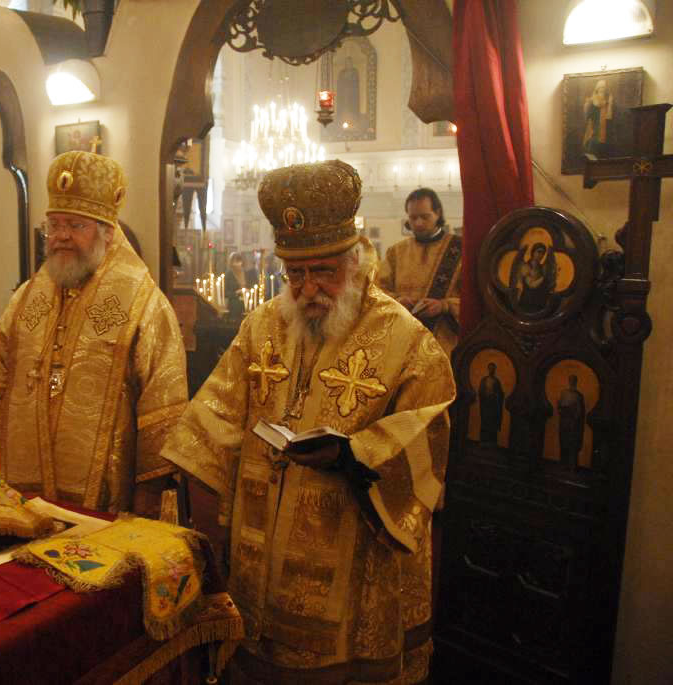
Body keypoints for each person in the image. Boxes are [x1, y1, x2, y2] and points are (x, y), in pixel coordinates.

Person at [162, 160, 455, 683]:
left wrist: (355, 455)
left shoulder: (405, 339)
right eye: (294, 274)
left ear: (355, 261)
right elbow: (215, 415)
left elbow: (427, 431)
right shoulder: (261, 325)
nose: (307, 289)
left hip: (351, 554)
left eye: (323, 272)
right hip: (258, 550)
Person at [0, 151, 188, 515]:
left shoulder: (144, 306)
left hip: (106, 512)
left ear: (107, 233)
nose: (61, 236)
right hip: (24, 503)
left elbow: (163, 415)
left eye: (76, 226)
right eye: (54, 225)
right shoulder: (27, 297)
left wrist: (146, 510)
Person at [376, 187, 461, 356]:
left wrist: (444, 306)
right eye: (413, 217)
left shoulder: (460, 250)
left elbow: (474, 298)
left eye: (425, 216)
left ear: (437, 213)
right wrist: (397, 300)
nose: (418, 223)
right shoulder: (396, 252)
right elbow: (378, 291)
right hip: (404, 341)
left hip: (445, 342)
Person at [557, 375, 586, 466]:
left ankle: (572, 465)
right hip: (564, 422)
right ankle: (563, 464)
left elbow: (580, 412)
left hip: (573, 424)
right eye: (570, 380)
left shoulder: (579, 395)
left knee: (572, 444)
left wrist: (573, 415)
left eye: (573, 380)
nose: (572, 382)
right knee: (563, 442)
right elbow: (559, 407)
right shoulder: (564, 393)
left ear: (576, 382)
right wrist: (562, 410)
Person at [583, 79, 614, 157]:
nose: (602, 89)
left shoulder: (607, 102)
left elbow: (609, 117)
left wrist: (610, 104)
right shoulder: (591, 101)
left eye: (604, 87)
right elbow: (587, 116)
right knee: (591, 155)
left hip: (604, 134)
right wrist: (587, 105)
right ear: (597, 88)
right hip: (594, 133)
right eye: (601, 87)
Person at [224, 251, 258, 319]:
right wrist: (237, 292)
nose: (236, 264)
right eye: (234, 262)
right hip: (234, 304)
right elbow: (226, 293)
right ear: (231, 263)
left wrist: (249, 290)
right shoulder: (229, 274)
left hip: (247, 301)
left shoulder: (246, 273)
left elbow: (252, 286)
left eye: (238, 261)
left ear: (241, 262)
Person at [478, 362, 505, 445]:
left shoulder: (497, 381)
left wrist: (495, 395)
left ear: (495, 370)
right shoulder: (484, 380)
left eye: (493, 369)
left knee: (492, 424)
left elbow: (500, 394)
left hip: (493, 406)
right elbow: (480, 392)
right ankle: (483, 441)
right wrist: (485, 395)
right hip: (485, 405)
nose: (491, 370)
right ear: (488, 369)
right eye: (490, 368)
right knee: (484, 422)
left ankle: (492, 443)